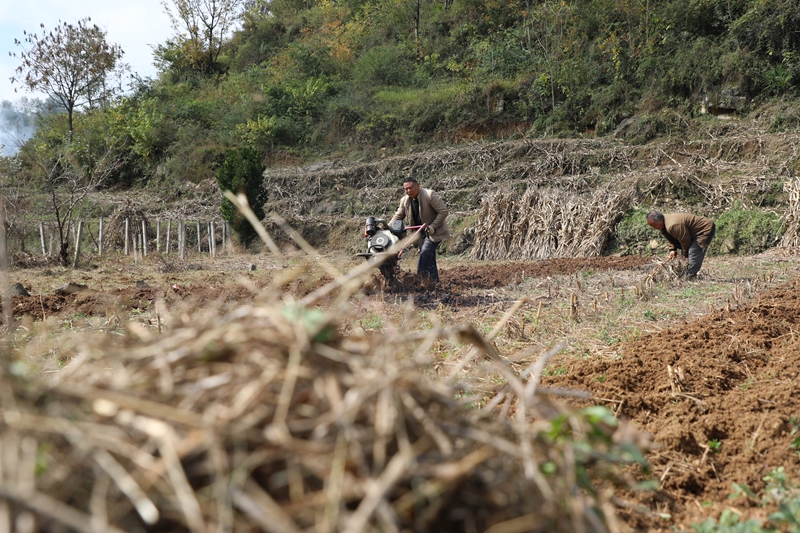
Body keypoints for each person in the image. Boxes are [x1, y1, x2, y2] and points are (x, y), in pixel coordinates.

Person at [390, 177, 450, 285]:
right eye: (406, 189)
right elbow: (398, 216)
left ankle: (420, 279)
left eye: (411, 188)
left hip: (434, 231)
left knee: (426, 251)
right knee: (428, 254)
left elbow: (443, 211)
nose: (409, 191)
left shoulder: (430, 195)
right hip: (419, 233)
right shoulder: (404, 201)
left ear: (418, 185)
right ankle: (433, 281)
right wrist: (387, 227)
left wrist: (432, 226)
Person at [646, 210, 716, 278]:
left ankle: (689, 276)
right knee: (687, 253)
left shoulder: (673, 225)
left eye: (653, 225)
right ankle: (686, 273)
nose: (654, 228)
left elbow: (685, 241)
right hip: (691, 233)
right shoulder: (665, 223)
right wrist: (672, 249)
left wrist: (685, 256)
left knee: (693, 252)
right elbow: (673, 237)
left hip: (703, 230)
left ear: (660, 221)